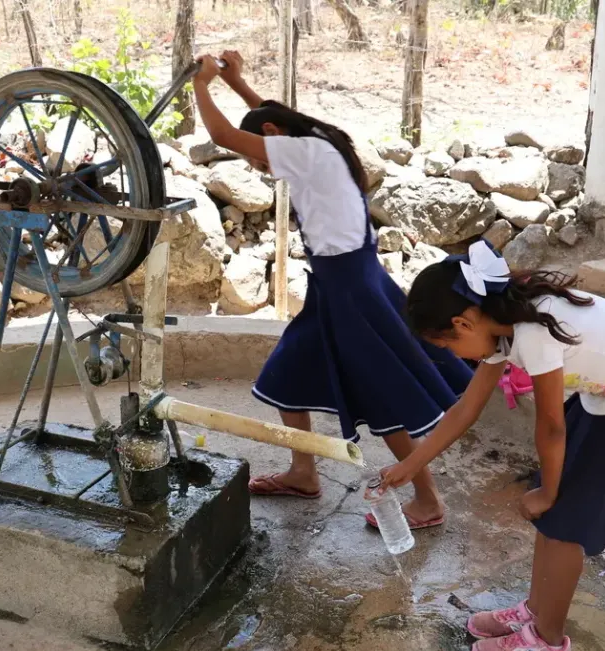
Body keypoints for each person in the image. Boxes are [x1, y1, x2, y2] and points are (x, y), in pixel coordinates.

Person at [379, 242, 605, 651]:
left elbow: (550, 425)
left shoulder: (532, 333)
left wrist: (549, 489)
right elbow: (465, 409)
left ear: (462, 321)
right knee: (554, 518)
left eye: (449, 345)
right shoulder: (499, 318)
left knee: (564, 524)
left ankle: (549, 647)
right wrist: (410, 466)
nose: (455, 355)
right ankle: (537, 612)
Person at [191, 51, 473, 528]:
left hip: (351, 290)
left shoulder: (302, 150)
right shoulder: (313, 139)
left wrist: (200, 85)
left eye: (255, 156)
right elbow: (271, 118)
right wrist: (237, 84)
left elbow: (222, 135)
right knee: (287, 375)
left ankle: (427, 500)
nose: (258, 166)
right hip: (338, 281)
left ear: (273, 138)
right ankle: (304, 474)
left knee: (385, 397)